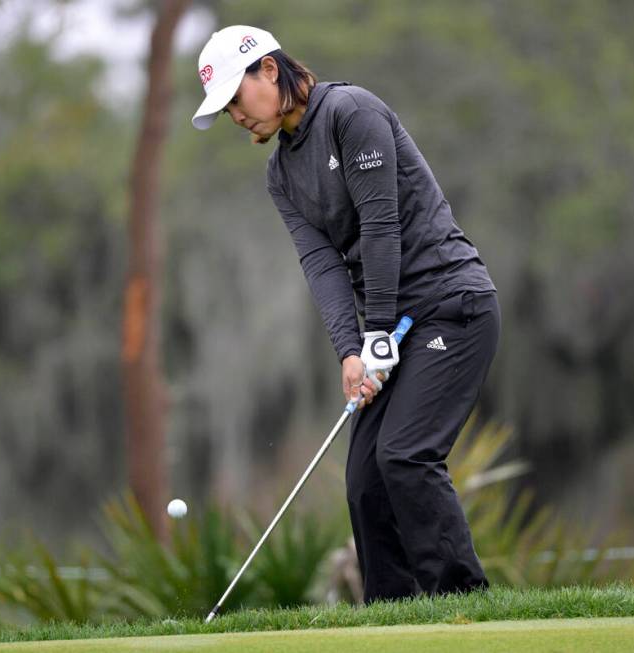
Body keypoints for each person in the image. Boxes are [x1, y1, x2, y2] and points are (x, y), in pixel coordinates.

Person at [191, 25, 500, 603]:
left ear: (269, 70)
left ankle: (466, 605)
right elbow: (323, 266)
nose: (235, 115)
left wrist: (377, 330)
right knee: (364, 482)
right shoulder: (280, 174)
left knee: (405, 454)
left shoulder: (351, 113)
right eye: (224, 108)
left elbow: (381, 226)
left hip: (452, 307)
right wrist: (351, 351)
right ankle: (394, 617)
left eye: (237, 97)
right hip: (392, 328)